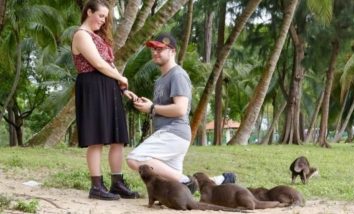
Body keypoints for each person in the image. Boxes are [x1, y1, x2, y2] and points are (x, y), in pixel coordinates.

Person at [126, 32, 236, 193]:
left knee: (135, 159)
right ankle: (223, 180)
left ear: (172, 51)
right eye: (153, 49)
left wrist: (152, 108)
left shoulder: (177, 75)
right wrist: (147, 105)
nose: (155, 52)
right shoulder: (161, 79)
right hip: (170, 134)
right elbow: (162, 108)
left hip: (173, 133)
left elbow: (180, 109)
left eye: (160, 49)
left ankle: (187, 182)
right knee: (175, 186)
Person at [71, 0, 139, 200]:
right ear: (89, 12)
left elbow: (109, 63)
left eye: (105, 17)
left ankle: (117, 183)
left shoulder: (97, 37)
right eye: (101, 16)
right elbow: (98, 64)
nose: (103, 21)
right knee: (97, 139)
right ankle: (96, 186)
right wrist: (120, 77)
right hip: (92, 86)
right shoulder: (81, 35)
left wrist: (123, 87)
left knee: (117, 137)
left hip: (109, 86)